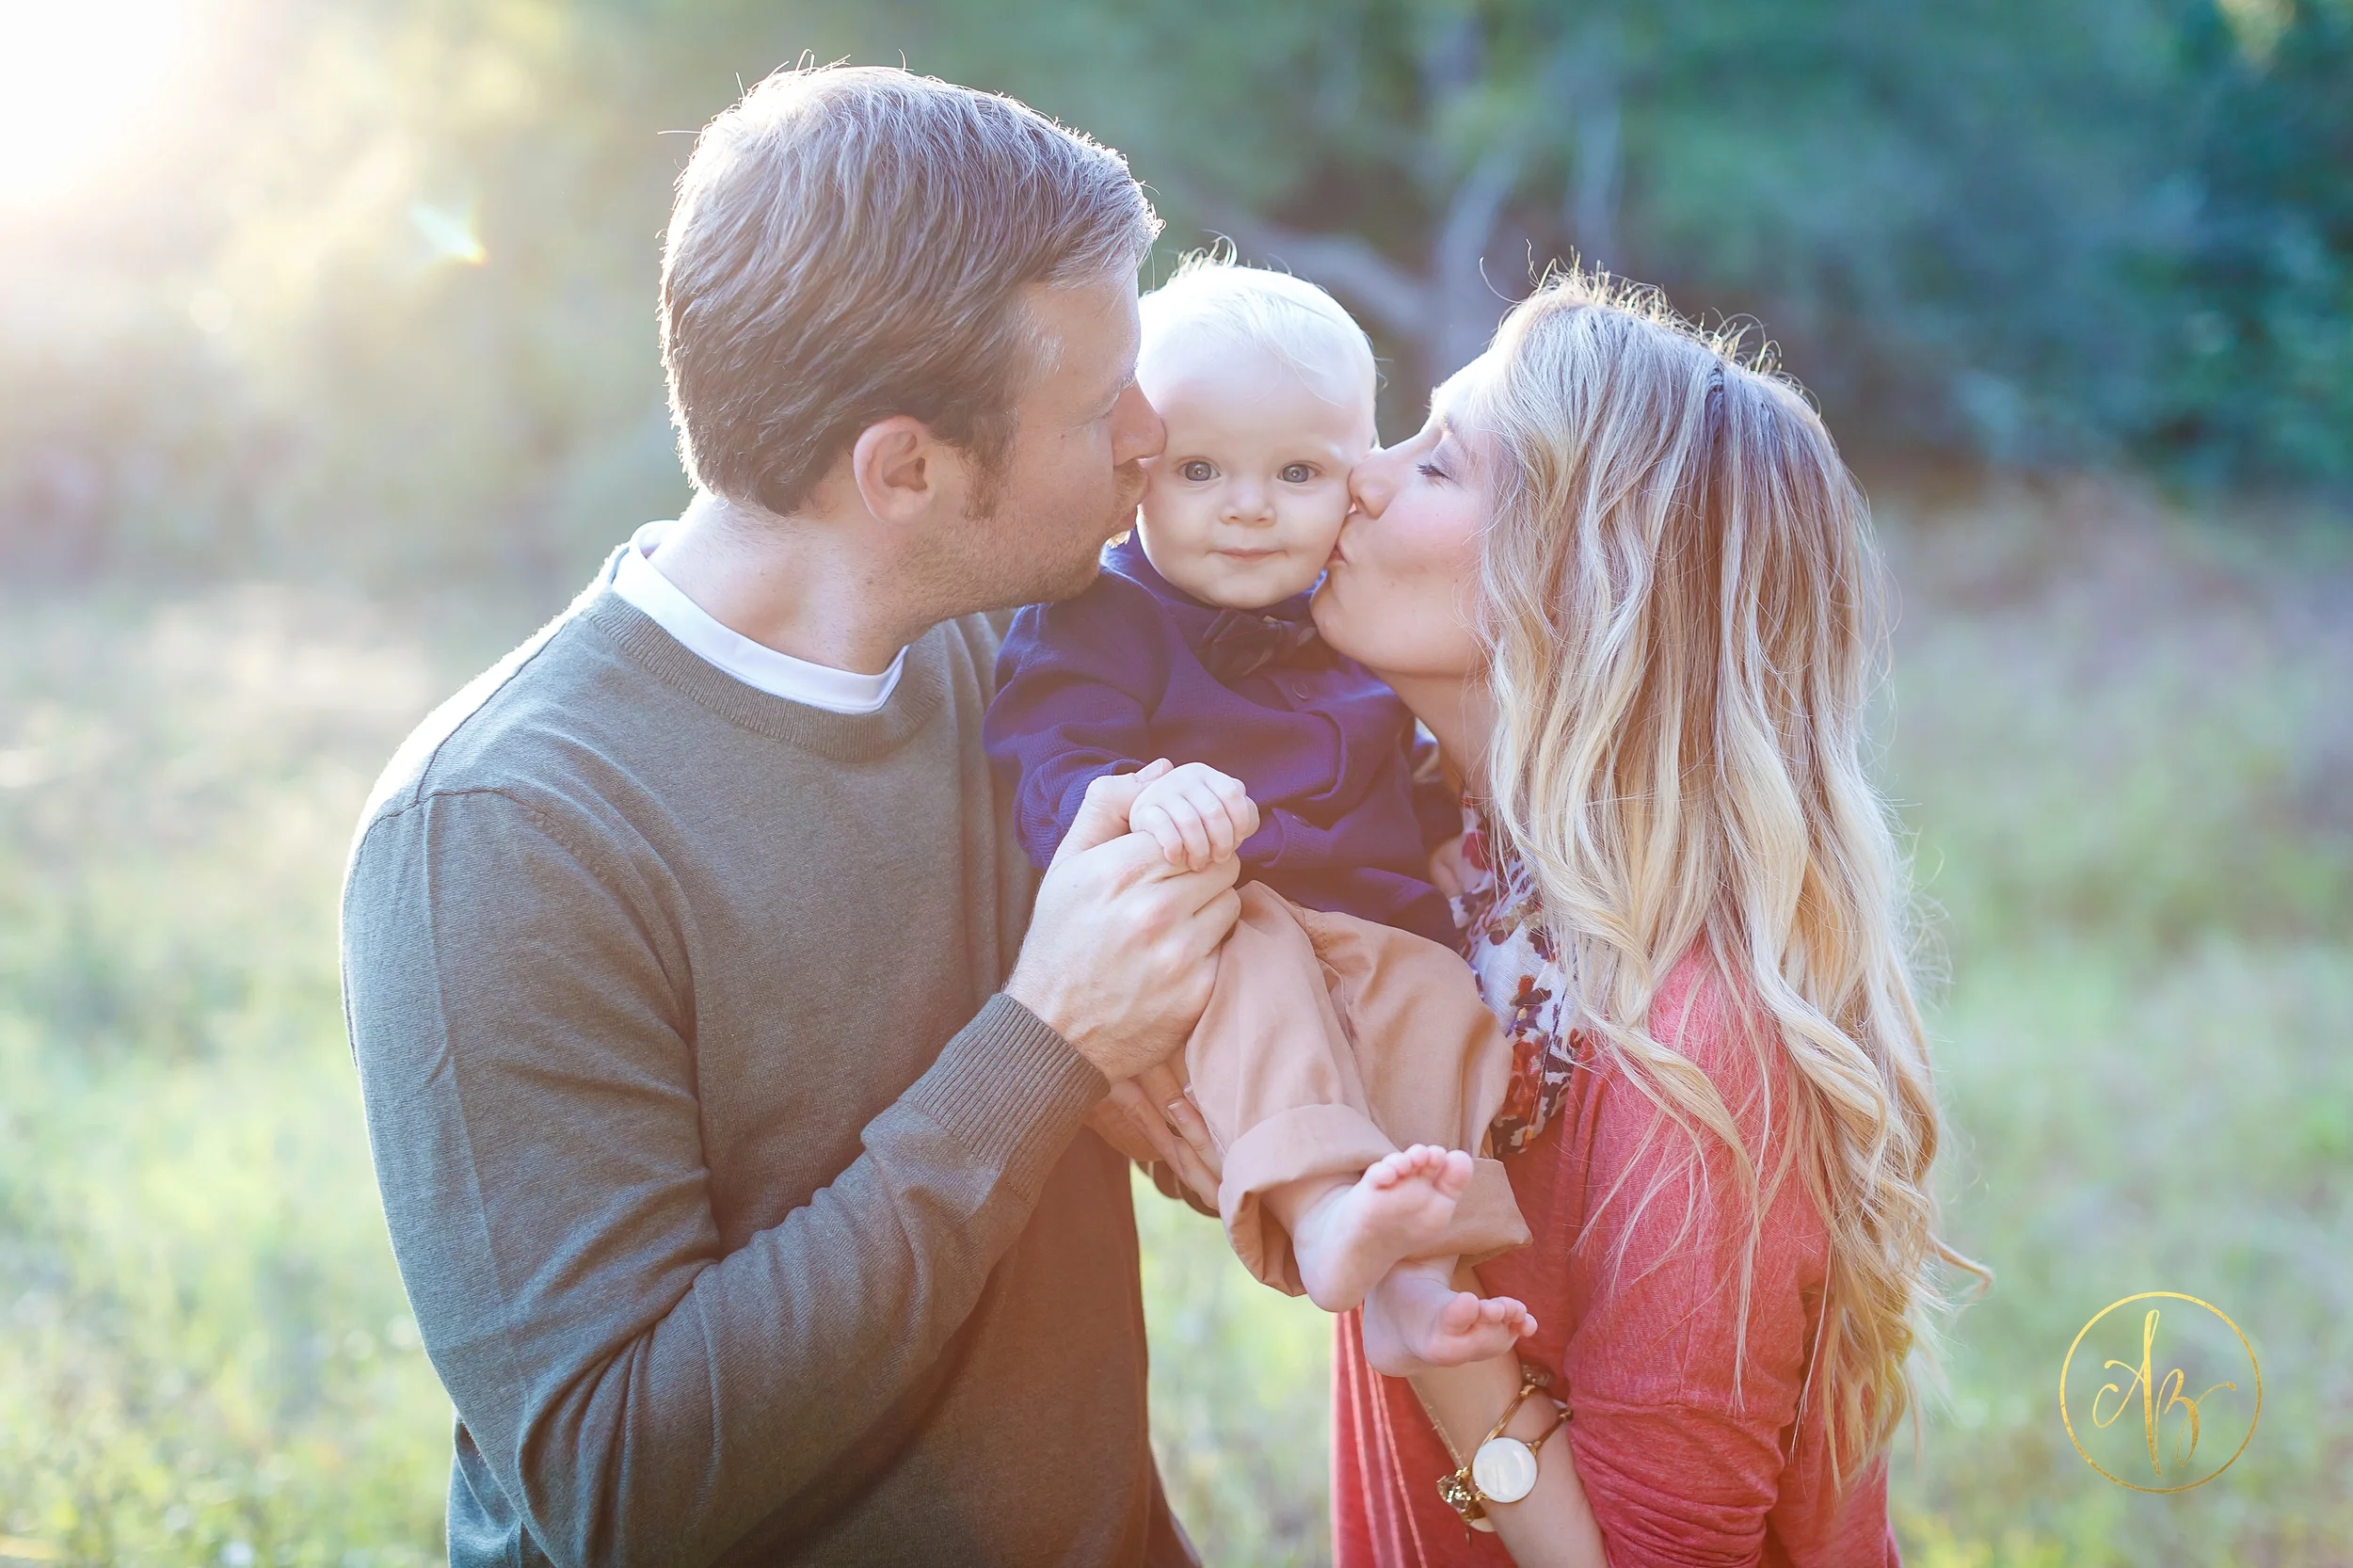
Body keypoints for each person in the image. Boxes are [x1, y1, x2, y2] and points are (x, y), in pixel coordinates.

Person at [339, 65, 1241, 1566]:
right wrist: (1048, 1043)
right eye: (1099, 404)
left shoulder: (1017, 663)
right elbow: (614, 1483)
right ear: (904, 469)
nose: (1151, 434)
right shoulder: (503, 832)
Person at [1301, 272, 1980, 1565]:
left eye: (1436, 464)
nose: (1359, 477)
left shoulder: (1699, 1038)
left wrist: (1428, 1318)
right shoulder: (1440, 884)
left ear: (1579, 587)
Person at [985, 257, 1541, 1373]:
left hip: (1374, 927)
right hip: (1222, 925)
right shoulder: (1096, 616)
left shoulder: (1355, 613)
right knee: (1264, 977)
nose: (1247, 508)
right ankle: (1326, 1208)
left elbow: (1414, 771)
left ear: (1355, 479)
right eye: (1200, 469)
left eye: (1296, 471)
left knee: (1440, 1004)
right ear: (1136, 470)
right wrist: (1137, 793)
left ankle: (1415, 1276)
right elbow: (1041, 760)